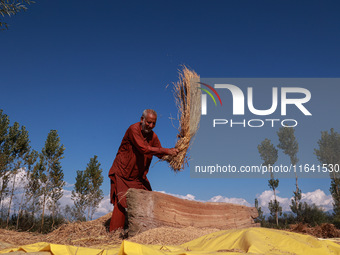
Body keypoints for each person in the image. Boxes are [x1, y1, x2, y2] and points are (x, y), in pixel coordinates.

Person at [108, 109, 178, 232]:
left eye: (154, 123)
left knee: (147, 198)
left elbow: (159, 152)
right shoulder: (133, 129)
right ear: (142, 120)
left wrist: (176, 154)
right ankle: (114, 234)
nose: (151, 126)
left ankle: (143, 231)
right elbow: (143, 148)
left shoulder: (153, 136)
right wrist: (167, 151)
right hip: (123, 172)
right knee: (120, 201)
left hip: (138, 176)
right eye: (149, 122)